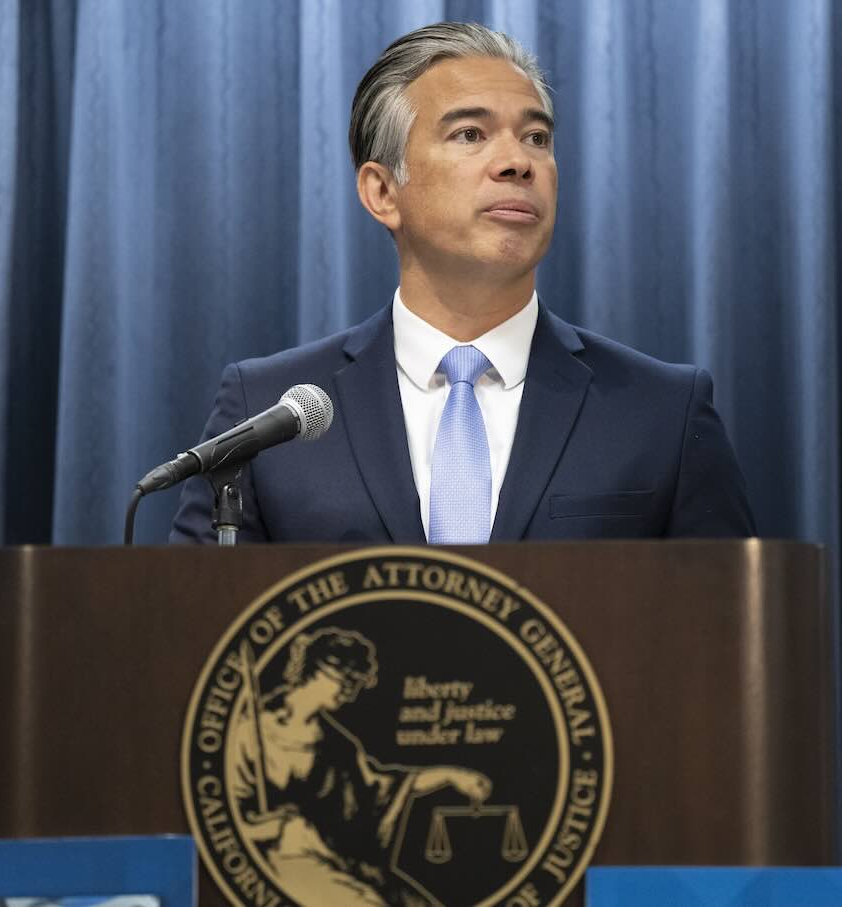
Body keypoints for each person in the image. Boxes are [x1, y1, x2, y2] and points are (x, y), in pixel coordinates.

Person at [171, 22, 755, 544]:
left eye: (537, 138)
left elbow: (726, 641)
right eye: (471, 134)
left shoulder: (661, 412)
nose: (517, 162)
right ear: (382, 191)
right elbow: (197, 644)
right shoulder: (269, 413)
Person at [230, 628, 490, 906]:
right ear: (317, 670)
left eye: (356, 682)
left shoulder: (337, 745)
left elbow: (379, 790)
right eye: (346, 679)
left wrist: (449, 776)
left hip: (338, 858)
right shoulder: (250, 732)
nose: (350, 692)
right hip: (287, 864)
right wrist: (275, 829)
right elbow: (227, 822)